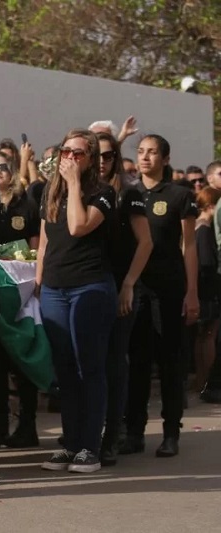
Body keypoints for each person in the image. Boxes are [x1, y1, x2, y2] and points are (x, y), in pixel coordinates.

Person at [36, 129, 118, 473]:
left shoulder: (103, 193)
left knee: (90, 367)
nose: (69, 158)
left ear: (91, 160)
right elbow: (44, 240)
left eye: (79, 153)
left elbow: (78, 226)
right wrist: (39, 282)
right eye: (66, 152)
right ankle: (70, 445)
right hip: (55, 288)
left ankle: (90, 446)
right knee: (65, 370)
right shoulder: (49, 191)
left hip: (90, 287)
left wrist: (72, 186)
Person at [123, 135, 198, 459]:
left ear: (165, 159)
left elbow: (189, 246)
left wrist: (191, 292)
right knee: (136, 365)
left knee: (170, 364)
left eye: (152, 152)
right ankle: (134, 433)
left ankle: (170, 433)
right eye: (141, 152)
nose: (145, 158)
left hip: (169, 290)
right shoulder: (129, 193)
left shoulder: (180, 195)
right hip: (136, 290)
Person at [96, 132, 152, 467]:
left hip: (120, 290)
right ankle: (89, 428)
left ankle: (113, 435)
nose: (102, 162)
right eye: (97, 155)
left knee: (115, 363)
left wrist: (129, 284)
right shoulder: (82, 193)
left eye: (108, 156)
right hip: (87, 286)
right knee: (89, 364)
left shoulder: (127, 193)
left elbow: (145, 243)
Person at [0, 151, 42, 450]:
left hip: (20, 294)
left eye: (4, 168)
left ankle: (27, 425)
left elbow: (35, 248)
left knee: (21, 363)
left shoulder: (26, 204)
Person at [194, 187, 221, 393]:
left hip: (201, 289)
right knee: (208, 335)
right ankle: (205, 379)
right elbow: (206, 262)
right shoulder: (203, 229)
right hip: (207, 290)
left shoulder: (197, 227)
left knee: (203, 336)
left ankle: (202, 380)